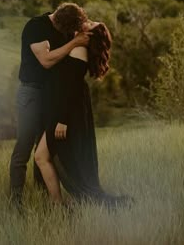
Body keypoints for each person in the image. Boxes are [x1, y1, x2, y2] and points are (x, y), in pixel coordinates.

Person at [34, 20, 134, 209]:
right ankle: (58, 203)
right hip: (64, 108)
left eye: (89, 23)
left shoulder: (80, 49)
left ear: (90, 35)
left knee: (41, 156)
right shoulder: (75, 45)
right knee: (44, 156)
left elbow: (72, 87)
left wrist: (62, 120)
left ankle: (57, 205)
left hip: (67, 111)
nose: (85, 22)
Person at [9, 3, 91, 208]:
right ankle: (15, 201)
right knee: (24, 146)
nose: (70, 34)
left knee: (44, 147)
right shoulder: (36, 26)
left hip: (51, 95)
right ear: (58, 20)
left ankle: (43, 195)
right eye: (68, 31)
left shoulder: (66, 29)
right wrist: (74, 43)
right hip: (31, 92)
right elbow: (46, 61)